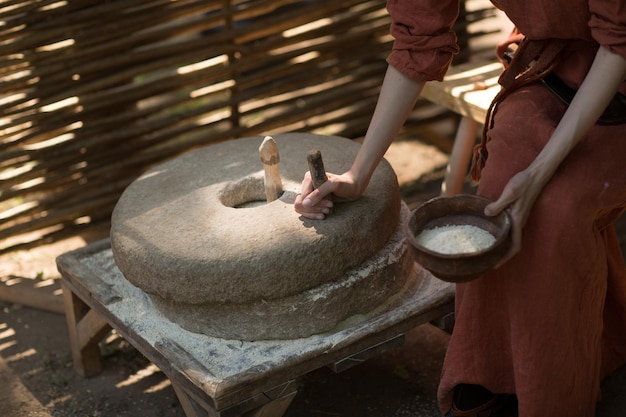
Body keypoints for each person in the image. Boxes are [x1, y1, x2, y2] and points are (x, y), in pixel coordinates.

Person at [294, 1, 626, 416]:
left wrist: (540, 171)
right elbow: (418, 36)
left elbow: (619, 39)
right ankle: (495, 374)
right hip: (555, 67)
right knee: (494, 209)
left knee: (555, 212)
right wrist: (358, 173)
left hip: (619, 69)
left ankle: (552, 396)